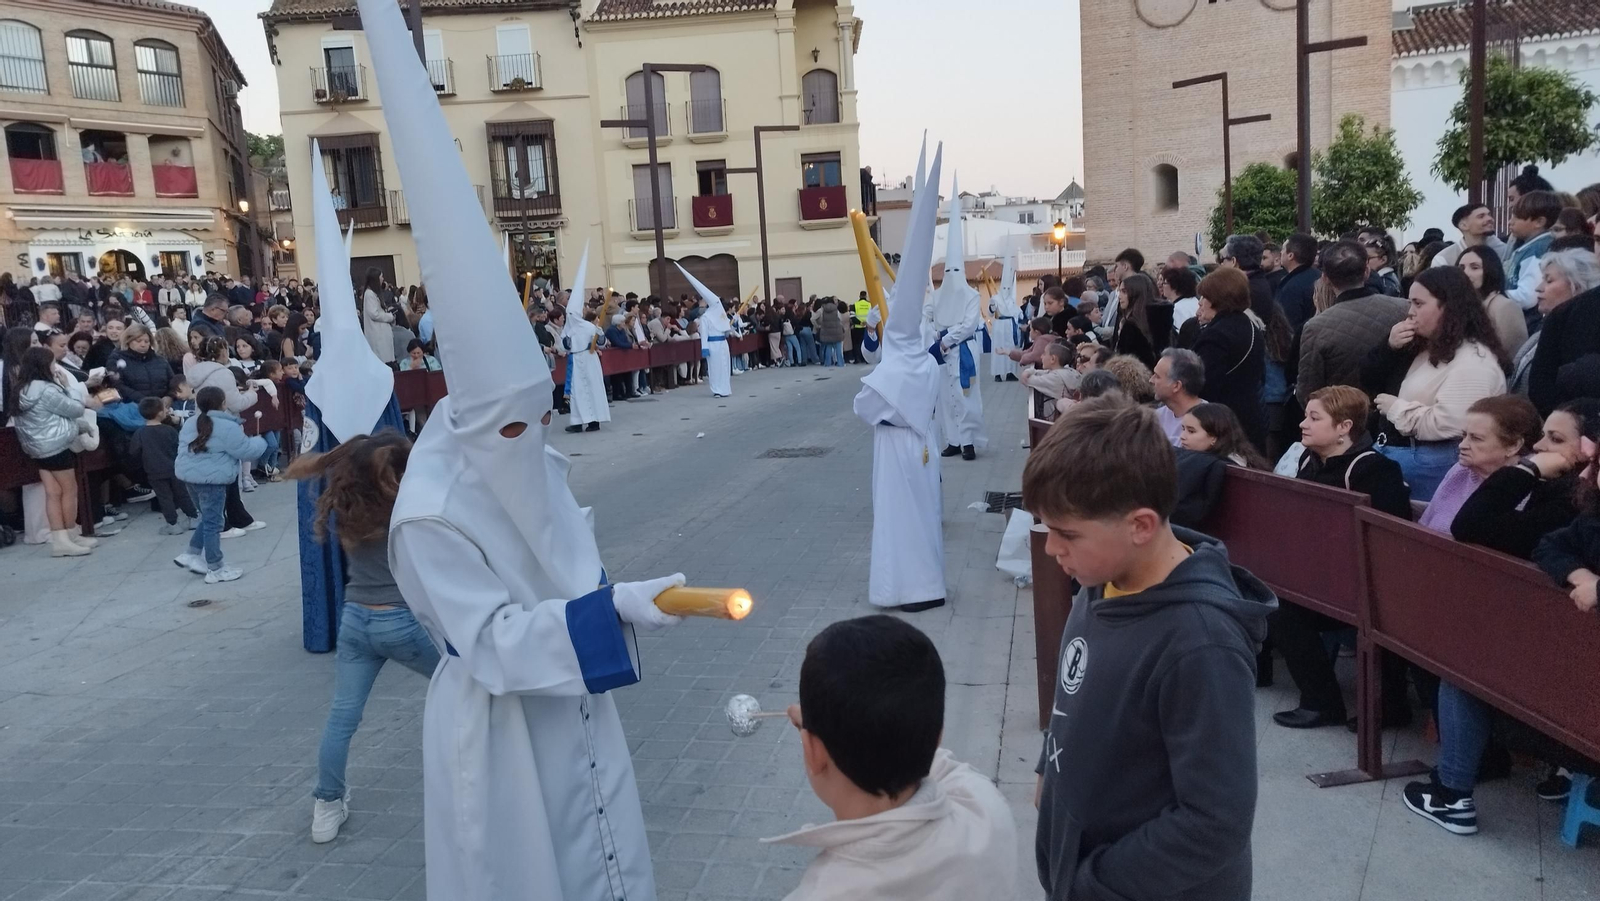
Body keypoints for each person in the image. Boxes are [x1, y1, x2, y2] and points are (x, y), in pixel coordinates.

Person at [1024, 398, 1272, 901]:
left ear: (1139, 525)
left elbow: (1215, 820)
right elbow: (1077, 693)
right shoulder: (1102, 576)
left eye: (1065, 533)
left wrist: (1095, 882)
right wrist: (1047, 770)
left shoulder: (1201, 643)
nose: (1051, 549)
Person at [767, 615, 1016, 900]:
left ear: (813, 753)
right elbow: (933, 754)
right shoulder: (986, 809)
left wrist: (822, 731)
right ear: (937, 737)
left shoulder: (823, 892)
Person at [286, 431, 443, 843]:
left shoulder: (347, 502)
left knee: (342, 719)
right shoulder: (406, 508)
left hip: (356, 620)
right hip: (402, 621)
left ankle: (326, 805)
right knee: (472, 683)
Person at [1271, 386, 1413, 730]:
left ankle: (1371, 705)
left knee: (1290, 609)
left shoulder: (1375, 469)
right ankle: (1322, 702)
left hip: (1372, 583)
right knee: (1279, 602)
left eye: (1314, 417)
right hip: (1327, 576)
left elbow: (1389, 537)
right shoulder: (1309, 459)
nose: (1303, 424)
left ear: (1343, 427)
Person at [855, 144, 947, 612]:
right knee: (921, 516)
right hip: (924, 445)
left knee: (899, 518)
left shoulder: (895, 366)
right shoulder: (924, 361)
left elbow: (865, 407)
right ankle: (925, 582)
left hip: (897, 450)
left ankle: (908, 588)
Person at [1364, 266, 1509, 501]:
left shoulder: (1473, 361)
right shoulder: (1426, 346)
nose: (1410, 312)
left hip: (1432, 466)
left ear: (1448, 307)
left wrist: (1397, 409)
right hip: (1406, 454)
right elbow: (1370, 376)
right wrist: (1389, 347)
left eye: (1419, 304)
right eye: (1410, 303)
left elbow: (1452, 423)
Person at [1297, 240, 1410, 408]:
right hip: (1398, 408)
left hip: (1345, 417)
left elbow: (1308, 391)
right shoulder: (1404, 308)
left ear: (1325, 279)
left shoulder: (1316, 327)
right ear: (1366, 271)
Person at [1415, 394, 1543, 536]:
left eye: (1476, 438)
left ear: (1513, 445)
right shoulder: (1460, 470)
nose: (1462, 445)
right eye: (1464, 435)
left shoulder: (1529, 488)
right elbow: (1426, 523)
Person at [174, 385, 265, 583]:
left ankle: (191, 553)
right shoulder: (227, 426)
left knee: (208, 518)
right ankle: (215, 567)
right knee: (215, 523)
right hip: (211, 480)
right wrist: (259, 441)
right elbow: (246, 451)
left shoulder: (190, 422)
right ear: (223, 404)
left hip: (189, 478)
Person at [11, 346, 96, 557]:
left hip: (37, 448)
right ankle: (68, 535)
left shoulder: (21, 389)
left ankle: (62, 538)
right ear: (43, 365)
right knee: (69, 490)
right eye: (52, 362)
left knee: (52, 493)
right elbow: (76, 409)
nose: (54, 366)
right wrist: (69, 388)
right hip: (56, 445)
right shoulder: (47, 389)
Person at [927, 186, 986, 461]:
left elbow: (969, 324)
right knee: (944, 398)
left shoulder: (972, 295)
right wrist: (934, 337)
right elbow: (927, 316)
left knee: (965, 396)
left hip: (962, 351)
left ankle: (969, 441)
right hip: (942, 353)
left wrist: (947, 339)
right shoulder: (937, 296)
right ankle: (952, 439)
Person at [1191, 267, 1267, 450]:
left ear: (1217, 300)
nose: (1200, 303)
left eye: (1205, 297)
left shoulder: (1217, 335)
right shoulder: (1249, 324)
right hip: (1251, 414)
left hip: (1224, 423)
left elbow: (1203, 385)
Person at [1524, 247, 1600, 412]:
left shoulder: (1584, 333)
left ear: (1577, 286)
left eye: (1549, 281)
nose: (1538, 288)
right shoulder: (1540, 327)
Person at [127, 396, 197, 535]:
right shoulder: (169, 430)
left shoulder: (140, 433)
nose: (167, 410)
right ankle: (194, 518)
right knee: (182, 494)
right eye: (164, 408)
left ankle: (172, 524)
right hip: (173, 468)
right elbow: (178, 447)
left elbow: (133, 452)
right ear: (160, 413)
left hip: (154, 471)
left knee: (164, 498)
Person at [1456, 244, 1527, 355]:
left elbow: (1513, 354)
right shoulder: (1458, 305)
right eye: (1461, 268)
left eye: (1475, 267)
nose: (1465, 273)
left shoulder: (1505, 307)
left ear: (1490, 270)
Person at [1504, 190, 1563, 315]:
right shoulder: (1529, 246)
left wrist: (1496, 296)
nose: (1510, 222)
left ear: (1539, 222)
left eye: (1517, 217)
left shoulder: (1538, 251)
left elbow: (1528, 296)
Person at [1179, 402, 1271, 469]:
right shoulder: (1192, 459)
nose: (1182, 436)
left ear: (1214, 437)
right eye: (1183, 429)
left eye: (1191, 431)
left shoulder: (1231, 467)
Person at [1151, 347, 1204, 446]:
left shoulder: (1207, 422)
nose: (1151, 380)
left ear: (1176, 386)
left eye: (1157, 376)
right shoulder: (1156, 417)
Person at [1433, 202, 1509, 270]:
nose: (1490, 219)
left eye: (1489, 215)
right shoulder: (1444, 259)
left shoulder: (1503, 251)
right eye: (1481, 216)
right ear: (1464, 225)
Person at [1019, 343, 1080, 420]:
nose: (1041, 357)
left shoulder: (1055, 378)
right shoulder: (1069, 372)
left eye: (1044, 354)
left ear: (1053, 359)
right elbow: (1040, 372)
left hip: (1056, 422)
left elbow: (1027, 380)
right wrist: (1029, 371)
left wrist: (1026, 372)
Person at [1109, 272, 1157, 367]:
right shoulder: (1157, 320)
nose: (1119, 296)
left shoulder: (1131, 327)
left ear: (1135, 293)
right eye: (1119, 291)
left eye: (1124, 291)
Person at [988, 257, 1022, 382]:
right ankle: (997, 373)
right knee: (998, 348)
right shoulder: (996, 298)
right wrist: (992, 307)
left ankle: (1010, 373)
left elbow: (1017, 313)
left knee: (1010, 348)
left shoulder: (1011, 300)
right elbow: (990, 313)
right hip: (999, 325)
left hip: (1010, 326)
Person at [361, 268, 396, 365]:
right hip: (378, 335)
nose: (383, 279)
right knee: (383, 361)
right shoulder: (370, 294)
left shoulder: (373, 293)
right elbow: (374, 314)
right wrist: (390, 316)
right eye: (381, 277)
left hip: (381, 333)